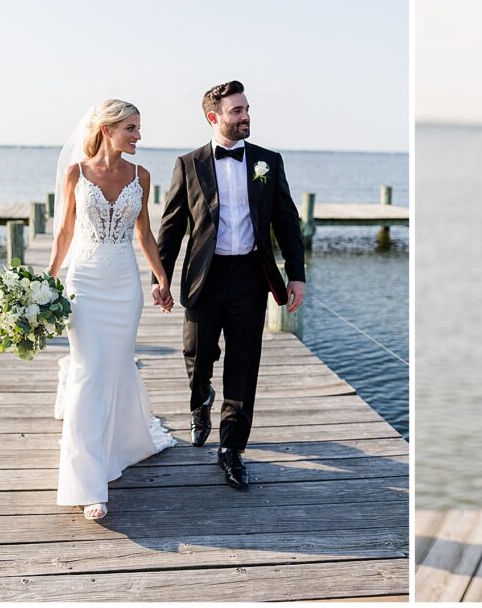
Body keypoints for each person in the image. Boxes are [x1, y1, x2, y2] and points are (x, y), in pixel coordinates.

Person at [155, 80, 306, 490]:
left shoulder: (267, 162)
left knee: (243, 364)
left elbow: (287, 221)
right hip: (204, 277)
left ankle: (231, 449)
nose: (246, 116)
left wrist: (296, 274)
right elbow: (171, 227)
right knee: (198, 356)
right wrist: (161, 277)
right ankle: (200, 401)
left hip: (250, 278)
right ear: (214, 117)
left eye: (247, 109)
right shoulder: (188, 164)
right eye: (236, 111)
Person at [48, 99, 176, 520]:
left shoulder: (141, 175)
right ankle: (87, 483)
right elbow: (65, 230)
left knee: (116, 367)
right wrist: (46, 280)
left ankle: (119, 446)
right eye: (132, 129)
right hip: (83, 282)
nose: (138, 136)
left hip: (124, 286)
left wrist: (161, 279)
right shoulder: (76, 173)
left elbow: (145, 234)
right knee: (88, 371)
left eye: (138, 129)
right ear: (108, 129)